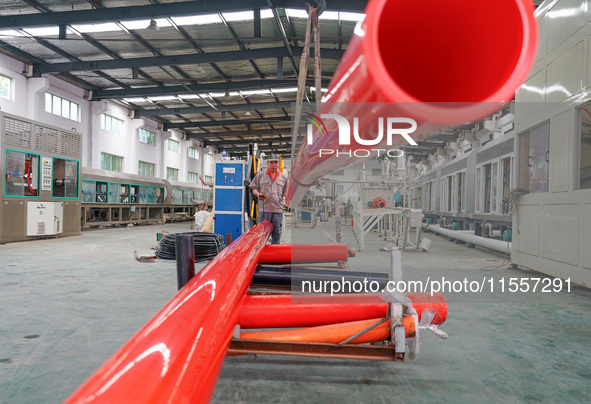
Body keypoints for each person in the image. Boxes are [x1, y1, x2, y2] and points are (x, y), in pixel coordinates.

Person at [249, 154, 288, 244]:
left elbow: (286, 192)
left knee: (277, 233)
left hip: (277, 210)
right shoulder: (260, 176)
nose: (273, 165)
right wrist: (258, 194)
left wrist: (288, 195)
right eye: (271, 162)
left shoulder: (283, 177)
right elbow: (254, 188)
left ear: (278, 164)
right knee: (262, 233)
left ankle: (275, 253)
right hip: (264, 209)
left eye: (275, 162)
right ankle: (262, 252)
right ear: (267, 163)